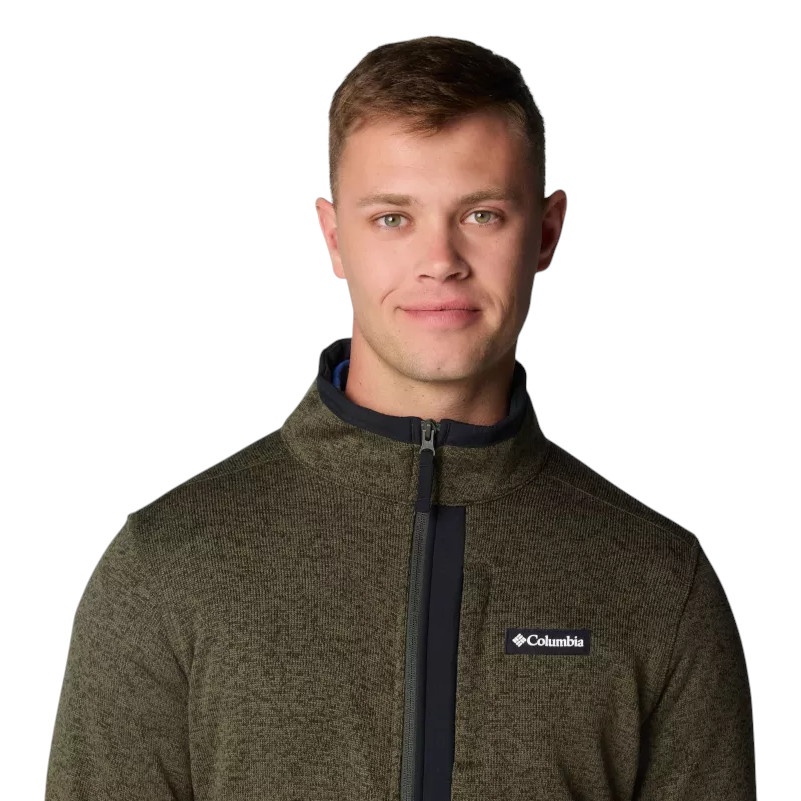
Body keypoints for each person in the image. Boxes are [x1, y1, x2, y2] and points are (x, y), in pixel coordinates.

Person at [45, 36, 756, 800]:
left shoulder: (658, 583)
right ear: (334, 238)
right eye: (392, 218)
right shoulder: (166, 568)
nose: (439, 258)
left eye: (481, 213)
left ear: (545, 232)